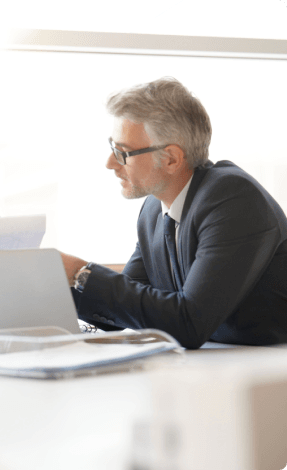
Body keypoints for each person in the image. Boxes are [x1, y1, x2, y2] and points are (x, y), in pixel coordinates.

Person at [62, 77, 287, 349]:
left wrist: (82, 273)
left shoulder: (233, 199)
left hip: (268, 370)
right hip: (220, 364)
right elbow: (123, 307)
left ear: (171, 159)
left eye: (122, 152)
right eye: (112, 147)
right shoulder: (154, 211)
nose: (110, 163)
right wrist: (51, 283)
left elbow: (190, 323)